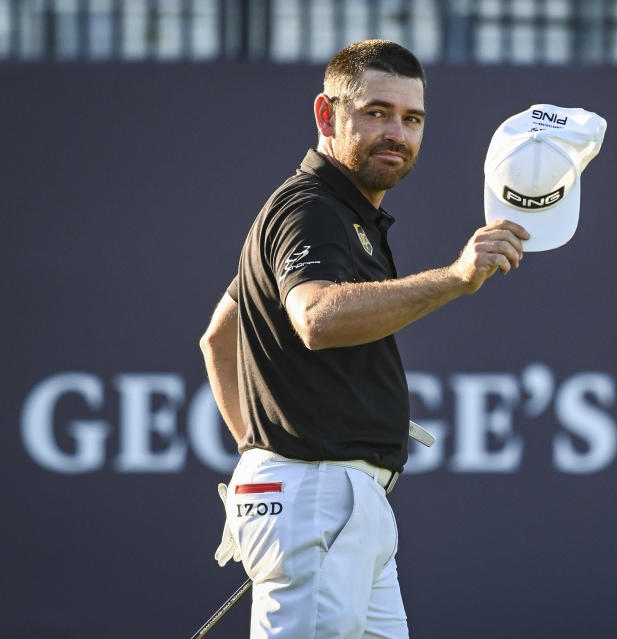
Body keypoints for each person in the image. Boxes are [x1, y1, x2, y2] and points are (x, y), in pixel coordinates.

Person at [198, 39, 528, 639]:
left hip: (331, 501)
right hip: (319, 497)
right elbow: (316, 318)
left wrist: (260, 455)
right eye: (376, 112)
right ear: (327, 116)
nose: (396, 133)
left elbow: (219, 336)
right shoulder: (312, 209)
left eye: (412, 118)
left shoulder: (345, 214)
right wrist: (455, 278)